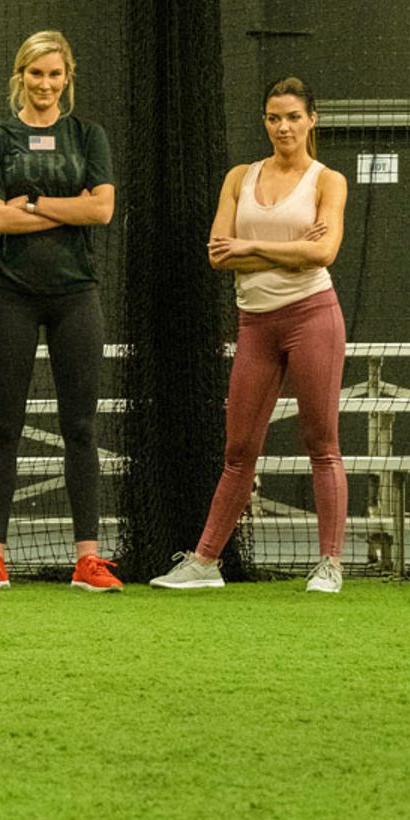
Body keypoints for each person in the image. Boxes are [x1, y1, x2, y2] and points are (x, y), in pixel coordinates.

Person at [151, 76, 349, 594]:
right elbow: (219, 253)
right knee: (238, 450)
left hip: (313, 316)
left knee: (321, 443)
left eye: (293, 117)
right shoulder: (240, 176)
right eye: (273, 118)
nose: (283, 127)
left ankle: (330, 563)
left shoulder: (328, 181)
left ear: (311, 120)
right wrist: (286, 250)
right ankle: (204, 562)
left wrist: (251, 247)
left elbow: (323, 254)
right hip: (255, 326)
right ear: (265, 121)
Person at [0, 29, 119, 592]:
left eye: (55, 74)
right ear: (21, 76)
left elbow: (102, 210)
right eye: (36, 73)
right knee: (3, 427)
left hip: (76, 297)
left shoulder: (88, 136)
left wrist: (31, 203)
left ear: (67, 78)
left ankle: (88, 560)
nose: (45, 83)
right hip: (10, 297)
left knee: (80, 426)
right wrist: (69, 208)